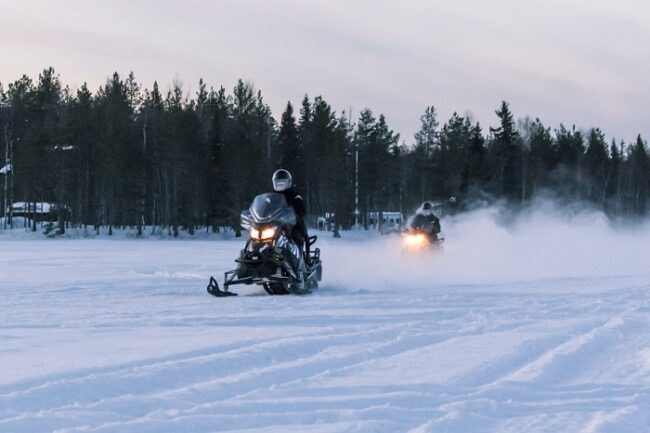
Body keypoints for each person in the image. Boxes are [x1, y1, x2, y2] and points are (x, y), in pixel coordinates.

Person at [272, 169, 308, 251]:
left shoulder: (295, 197)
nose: (280, 185)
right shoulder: (272, 198)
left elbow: (301, 211)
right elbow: (264, 209)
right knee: (257, 238)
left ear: (288, 183)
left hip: (293, 227)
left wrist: (295, 215)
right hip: (273, 227)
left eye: (283, 183)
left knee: (296, 237)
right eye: (278, 183)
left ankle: (297, 259)